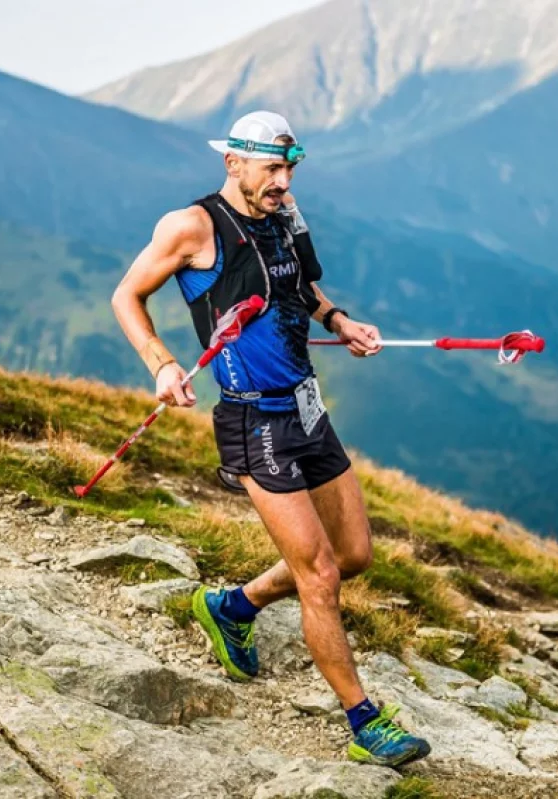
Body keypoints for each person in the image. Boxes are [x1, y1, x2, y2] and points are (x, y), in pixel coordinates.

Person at [110, 110, 431, 769]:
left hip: (307, 408)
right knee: (319, 574)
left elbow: (297, 286)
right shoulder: (191, 227)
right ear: (233, 163)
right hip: (254, 420)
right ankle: (365, 721)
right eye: (272, 169)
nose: (284, 182)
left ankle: (232, 606)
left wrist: (340, 320)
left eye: (289, 169)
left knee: (355, 554)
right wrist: (162, 363)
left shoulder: (283, 217)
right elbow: (125, 296)